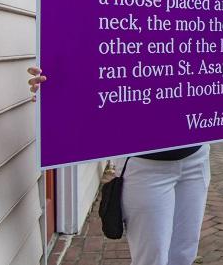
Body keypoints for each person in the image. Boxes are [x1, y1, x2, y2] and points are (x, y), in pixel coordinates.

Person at [28, 67, 210, 265]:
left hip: (196, 156)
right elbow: (94, 65)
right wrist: (57, 89)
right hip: (145, 165)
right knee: (151, 259)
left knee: (184, 255)